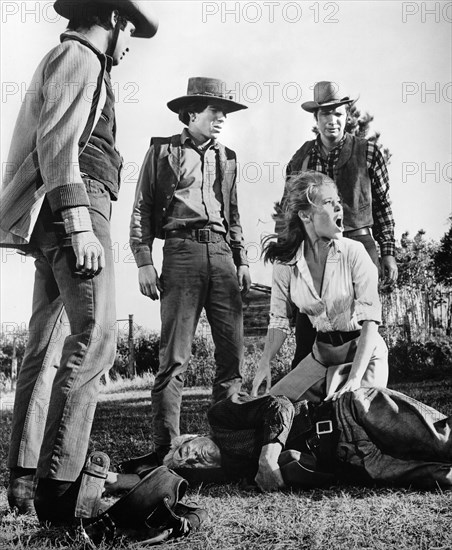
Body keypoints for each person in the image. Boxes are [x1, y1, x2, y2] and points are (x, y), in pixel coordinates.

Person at [1, 0, 158, 523]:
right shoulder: (81, 58)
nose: (130, 45)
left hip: (58, 212)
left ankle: (25, 483)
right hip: (76, 207)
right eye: (130, 30)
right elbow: (57, 143)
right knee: (95, 338)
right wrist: (79, 223)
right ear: (113, 20)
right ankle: (61, 489)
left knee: (44, 348)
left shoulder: (67, 56)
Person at [130, 77, 251, 463]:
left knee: (231, 355)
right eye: (215, 111)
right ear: (192, 112)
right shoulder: (162, 151)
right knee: (175, 357)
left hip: (222, 254)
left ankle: (230, 444)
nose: (221, 118)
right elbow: (141, 209)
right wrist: (144, 260)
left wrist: (242, 258)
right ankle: (166, 450)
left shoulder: (227, 157)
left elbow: (233, 214)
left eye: (224, 112)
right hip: (180, 253)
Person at [118, 388, 452, 493]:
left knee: (443, 441)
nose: (194, 458)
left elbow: (278, 404)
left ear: (191, 438)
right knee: (441, 477)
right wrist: (117, 482)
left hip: (351, 413)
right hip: (358, 463)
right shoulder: (233, 473)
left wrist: (268, 457)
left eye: (186, 451)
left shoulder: (221, 418)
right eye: (189, 465)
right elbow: (153, 481)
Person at [280, 81, 397, 366]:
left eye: (338, 114)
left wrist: (388, 253)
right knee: (310, 328)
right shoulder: (300, 159)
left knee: (359, 323)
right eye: (325, 115)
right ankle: (306, 401)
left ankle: (361, 395)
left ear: (347, 116)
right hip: (315, 251)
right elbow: (290, 213)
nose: (332, 121)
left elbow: (382, 207)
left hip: (359, 243)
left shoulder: (368, 152)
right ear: (316, 119)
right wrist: (288, 259)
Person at [252, 171, 388, 403]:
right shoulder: (285, 264)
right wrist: (265, 363)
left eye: (338, 202)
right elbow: (278, 320)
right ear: (305, 215)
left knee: (351, 415)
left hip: (364, 355)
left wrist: (355, 378)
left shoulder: (354, 252)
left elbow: (370, 321)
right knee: (272, 407)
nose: (339, 208)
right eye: (329, 202)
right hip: (322, 355)